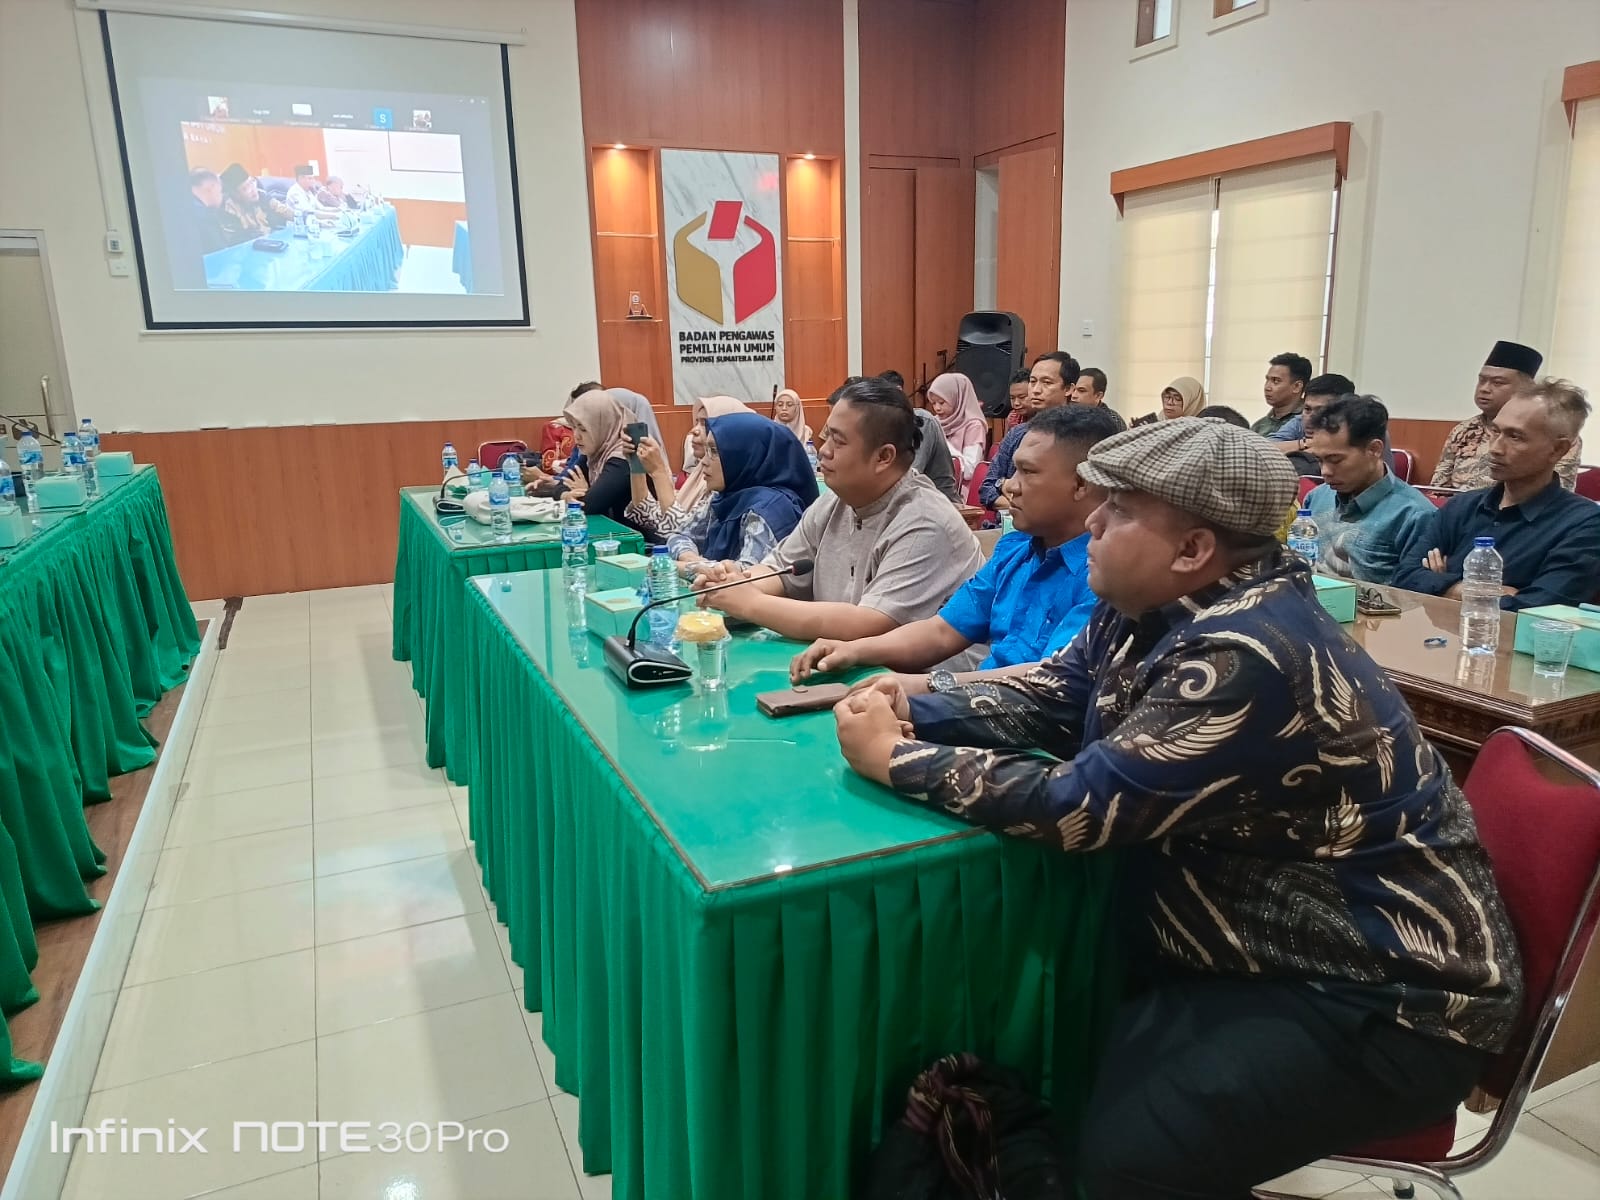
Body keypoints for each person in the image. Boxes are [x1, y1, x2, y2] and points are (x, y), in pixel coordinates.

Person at [833, 416, 1521, 1200]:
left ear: (1193, 550)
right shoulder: (1149, 606)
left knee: (1126, 1159)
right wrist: (918, 708)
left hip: (1383, 999)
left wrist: (896, 758)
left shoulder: (1247, 653)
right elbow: (1061, 696)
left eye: (1119, 510)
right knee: (1065, 1056)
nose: (1091, 522)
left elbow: (1079, 809)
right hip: (1259, 959)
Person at [790, 403, 1121, 688]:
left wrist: (926, 686)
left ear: (1081, 484)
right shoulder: (1015, 551)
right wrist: (854, 650)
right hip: (980, 705)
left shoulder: (1106, 575)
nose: (1009, 485)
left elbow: (1049, 678)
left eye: (1027, 472)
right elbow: (942, 632)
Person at [692, 376, 983, 649]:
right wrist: (737, 583)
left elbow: (869, 624)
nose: (823, 451)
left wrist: (750, 603)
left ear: (884, 457)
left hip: (930, 687)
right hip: (855, 669)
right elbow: (781, 570)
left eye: (838, 441)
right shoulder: (835, 500)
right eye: (826, 436)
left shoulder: (925, 522)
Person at [1396, 378, 1600, 610]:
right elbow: (1405, 577)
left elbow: (1540, 609)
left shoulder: (1584, 524)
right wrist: (1476, 591)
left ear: (1558, 449)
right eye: (1495, 431)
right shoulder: (1462, 507)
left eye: (1515, 437)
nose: (1495, 448)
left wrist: (1441, 584)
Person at [1303, 396, 1434, 585]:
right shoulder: (1316, 497)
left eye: (1335, 460)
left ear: (1374, 449)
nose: (1325, 471)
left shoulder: (1414, 515)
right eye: (1319, 460)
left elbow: (1416, 596)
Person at [664, 411, 816, 570]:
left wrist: (684, 567)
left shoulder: (769, 509)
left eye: (714, 452)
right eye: (707, 451)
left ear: (746, 455)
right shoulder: (727, 496)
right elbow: (679, 536)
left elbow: (744, 577)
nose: (704, 462)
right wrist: (691, 558)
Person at [1431, 341, 1581, 491]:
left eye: (1497, 383)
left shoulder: (1554, 435)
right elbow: (1437, 489)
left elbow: (1558, 494)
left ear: (1527, 389)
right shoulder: (1464, 429)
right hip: (1460, 510)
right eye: (1482, 381)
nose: (1484, 389)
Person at [626, 395, 754, 544]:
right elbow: (646, 514)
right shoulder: (700, 473)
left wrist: (658, 472)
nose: (694, 430)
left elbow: (685, 533)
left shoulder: (727, 479)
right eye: (696, 422)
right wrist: (636, 464)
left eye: (705, 424)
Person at [980, 352, 1080, 508]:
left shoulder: (1079, 436)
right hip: (1006, 524)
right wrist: (1004, 487)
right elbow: (986, 489)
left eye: (1046, 382)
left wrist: (1019, 501)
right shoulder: (1017, 433)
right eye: (1033, 382)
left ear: (1068, 389)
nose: (1036, 390)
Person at [556, 388, 656, 535]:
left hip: (641, 544)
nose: (576, 436)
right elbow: (560, 487)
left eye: (583, 429)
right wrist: (566, 496)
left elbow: (588, 506)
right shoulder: (595, 451)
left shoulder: (623, 459)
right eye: (574, 427)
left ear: (603, 425)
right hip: (611, 537)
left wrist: (586, 494)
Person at [926, 372, 987, 488]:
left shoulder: (974, 425)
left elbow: (969, 470)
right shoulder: (934, 422)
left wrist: (942, 442)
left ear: (957, 398)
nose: (937, 408)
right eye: (933, 403)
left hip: (960, 492)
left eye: (942, 402)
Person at [218, 163, 291, 244]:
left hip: (271, 243)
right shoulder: (228, 211)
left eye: (251, 182)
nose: (253, 189)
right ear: (236, 195)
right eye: (245, 188)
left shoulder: (262, 196)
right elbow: (235, 242)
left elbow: (284, 210)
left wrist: (303, 216)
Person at [1253, 352, 1312, 436]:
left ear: (1297, 386)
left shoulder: (1309, 422)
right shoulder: (1258, 426)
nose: (1267, 387)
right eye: (1267, 380)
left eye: (1276, 381)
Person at [1068, 366, 1127, 432]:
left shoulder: (1112, 421)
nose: (1073, 395)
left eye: (1081, 391)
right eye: (1072, 389)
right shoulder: (1066, 415)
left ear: (1098, 395)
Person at [1132, 375, 1205, 427]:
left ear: (1191, 403)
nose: (1170, 402)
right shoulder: (1159, 420)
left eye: (1177, 398)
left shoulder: (1200, 431)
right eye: (1167, 397)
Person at [186, 168, 228, 255]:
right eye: (220, 191)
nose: (221, 196)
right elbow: (220, 251)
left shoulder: (181, 208)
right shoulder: (205, 216)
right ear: (211, 187)